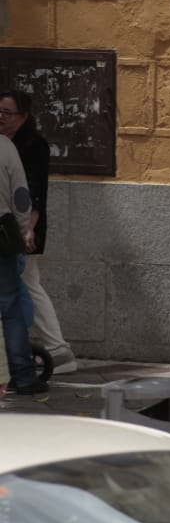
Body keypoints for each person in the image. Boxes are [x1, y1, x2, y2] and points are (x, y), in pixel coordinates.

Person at [0, 90, 77, 374]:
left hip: (20, 227)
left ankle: (58, 350)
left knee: (28, 283)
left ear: (23, 116)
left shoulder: (33, 145)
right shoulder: (6, 142)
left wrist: (28, 229)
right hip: (8, 225)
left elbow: (33, 192)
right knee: (26, 283)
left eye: (6, 113)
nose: (1, 118)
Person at [0, 132, 39, 396]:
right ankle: (23, 374)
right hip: (2, 233)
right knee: (10, 306)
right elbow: (21, 196)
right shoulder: (5, 146)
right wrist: (23, 230)